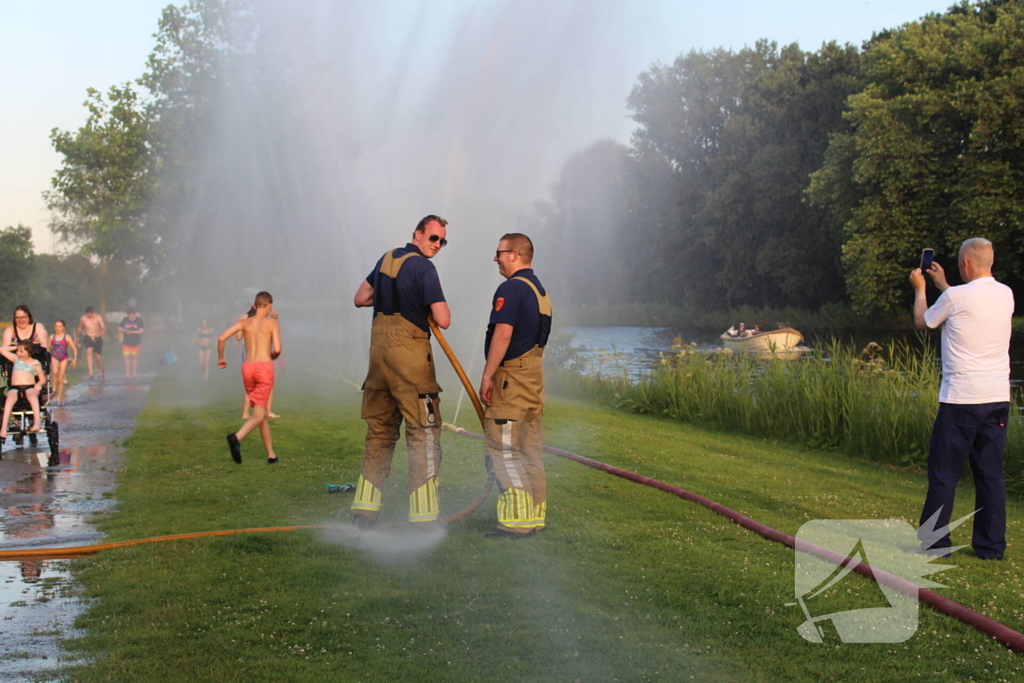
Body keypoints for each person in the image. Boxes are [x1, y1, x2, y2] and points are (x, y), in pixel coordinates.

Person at [910, 237, 1013, 560]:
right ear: (990, 262)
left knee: (944, 473)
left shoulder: (955, 297)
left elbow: (922, 321)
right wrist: (944, 284)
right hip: (997, 397)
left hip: (961, 400)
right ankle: (991, 547)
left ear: (966, 263)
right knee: (989, 474)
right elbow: (970, 305)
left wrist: (921, 289)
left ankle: (935, 545)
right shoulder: (1005, 294)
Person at [350, 214, 450, 529]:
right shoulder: (424, 267)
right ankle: (424, 517)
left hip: (378, 359)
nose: (437, 245)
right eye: (433, 237)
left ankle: (364, 511)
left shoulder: (385, 260)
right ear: (417, 234)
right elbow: (443, 319)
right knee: (423, 433)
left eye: (442, 241)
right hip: (410, 360)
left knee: (379, 432)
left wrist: (394, 298)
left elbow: (360, 298)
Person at [478, 233, 552, 539]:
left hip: (512, 381)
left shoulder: (511, 287)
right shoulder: (540, 291)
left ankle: (517, 523)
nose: (495, 258)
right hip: (533, 380)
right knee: (530, 451)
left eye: (499, 253)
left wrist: (487, 375)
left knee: (503, 450)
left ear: (516, 255)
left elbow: (503, 334)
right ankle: (535, 516)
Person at [218, 291, 282, 464]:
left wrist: (221, 358)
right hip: (263, 368)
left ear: (254, 306)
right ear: (269, 306)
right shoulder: (272, 323)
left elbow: (222, 337)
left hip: (247, 369)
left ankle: (271, 455)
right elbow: (277, 349)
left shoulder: (244, 322)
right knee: (260, 414)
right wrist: (272, 357)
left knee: (261, 413)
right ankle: (237, 438)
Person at [0, 341, 46, 444]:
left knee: (32, 396)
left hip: (29, 387)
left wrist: (38, 384)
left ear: (29, 351)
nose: (20, 353)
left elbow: (42, 379)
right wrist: (16, 347)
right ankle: (3, 428)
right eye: (18, 351)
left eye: (23, 351)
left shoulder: (35, 363)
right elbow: (2, 350)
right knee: (9, 399)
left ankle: (37, 422)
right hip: (15, 388)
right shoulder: (15, 359)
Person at [49, 320, 78, 404]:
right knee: (54, 372)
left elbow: (74, 349)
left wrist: (75, 359)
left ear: (64, 328)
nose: (58, 328)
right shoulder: (51, 337)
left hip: (64, 358)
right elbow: (47, 348)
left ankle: (59, 397)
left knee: (60, 378)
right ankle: (53, 389)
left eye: (60, 326)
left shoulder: (67, 337)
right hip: (54, 356)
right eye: (56, 326)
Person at [77, 306, 106, 381]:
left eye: (91, 314)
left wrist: (103, 331)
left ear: (93, 312)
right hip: (88, 337)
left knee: (98, 358)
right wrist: (77, 337)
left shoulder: (98, 317)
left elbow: (102, 326)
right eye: (88, 314)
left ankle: (100, 372)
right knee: (89, 353)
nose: (90, 315)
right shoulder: (83, 319)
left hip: (97, 337)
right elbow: (80, 328)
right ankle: (90, 373)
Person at [119, 308, 145, 378]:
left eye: (131, 315)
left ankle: (134, 374)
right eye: (129, 315)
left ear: (134, 314)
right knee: (126, 357)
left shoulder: (139, 320)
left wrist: (132, 332)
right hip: (126, 342)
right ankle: (127, 374)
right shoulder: (125, 319)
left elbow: (141, 331)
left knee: (134, 358)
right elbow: (120, 328)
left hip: (136, 342)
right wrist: (124, 330)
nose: (130, 316)